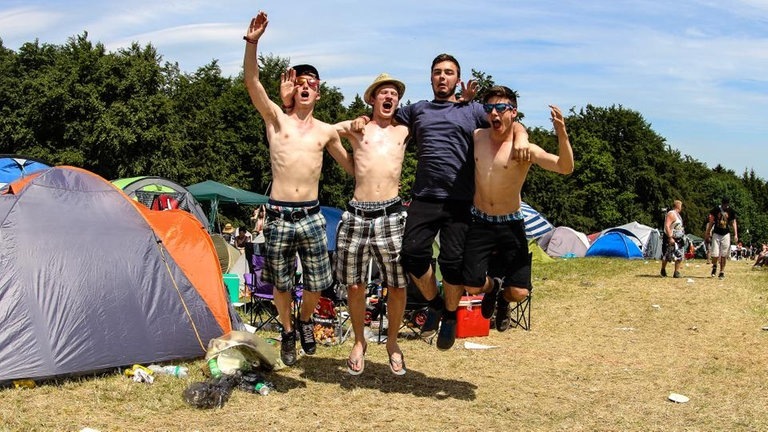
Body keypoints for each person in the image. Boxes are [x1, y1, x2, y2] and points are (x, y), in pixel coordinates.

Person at [391, 54, 529, 350]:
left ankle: (451, 317)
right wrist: (365, 118)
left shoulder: (472, 110)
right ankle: (436, 304)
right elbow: (384, 117)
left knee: (452, 263)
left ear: (457, 78)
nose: (443, 77)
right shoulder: (417, 110)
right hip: (424, 197)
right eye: (438, 72)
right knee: (412, 254)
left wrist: (522, 136)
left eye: (449, 73)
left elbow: (507, 118)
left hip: (460, 201)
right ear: (430, 78)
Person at [243, 11, 354, 366]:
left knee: (318, 284)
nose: (306, 87)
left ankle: (305, 321)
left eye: (312, 84)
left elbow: (352, 167)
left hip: (311, 215)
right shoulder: (276, 120)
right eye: (301, 82)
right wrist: (253, 43)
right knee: (281, 285)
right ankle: (289, 331)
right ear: (295, 89)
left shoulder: (326, 132)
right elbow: (252, 83)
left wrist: (368, 141)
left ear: (319, 93)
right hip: (278, 214)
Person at [462, 86, 573, 332]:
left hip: (510, 223)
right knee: (471, 284)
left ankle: (503, 298)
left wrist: (561, 134)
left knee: (519, 292)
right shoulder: (478, 136)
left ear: (513, 112)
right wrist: (465, 101)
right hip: (480, 220)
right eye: (489, 108)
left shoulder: (524, 149)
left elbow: (565, 167)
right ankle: (494, 287)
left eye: (501, 108)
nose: (494, 113)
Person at [334, 73, 410, 375]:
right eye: (383, 93)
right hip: (357, 214)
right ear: (372, 99)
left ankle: (392, 342)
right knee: (354, 285)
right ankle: (359, 341)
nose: (389, 97)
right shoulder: (358, 128)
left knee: (397, 284)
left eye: (394, 94)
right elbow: (326, 133)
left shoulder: (404, 130)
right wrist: (347, 158)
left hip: (391, 214)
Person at [704, 197, 738, 279]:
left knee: (723, 254)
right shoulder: (716, 209)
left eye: (727, 204)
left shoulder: (731, 211)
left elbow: (733, 223)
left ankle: (722, 271)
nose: (726, 206)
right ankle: (715, 266)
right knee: (715, 254)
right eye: (724, 204)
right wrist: (708, 232)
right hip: (716, 233)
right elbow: (711, 221)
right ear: (722, 203)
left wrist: (736, 234)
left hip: (726, 234)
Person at [660, 200, 686, 278]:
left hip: (679, 238)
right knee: (667, 255)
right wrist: (670, 237)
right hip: (671, 238)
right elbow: (667, 226)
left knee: (679, 255)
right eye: (681, 205)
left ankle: (676, 272)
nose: (681, 207)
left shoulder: (678, 215)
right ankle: (663, 269)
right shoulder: (671, 214)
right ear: (678, 206)